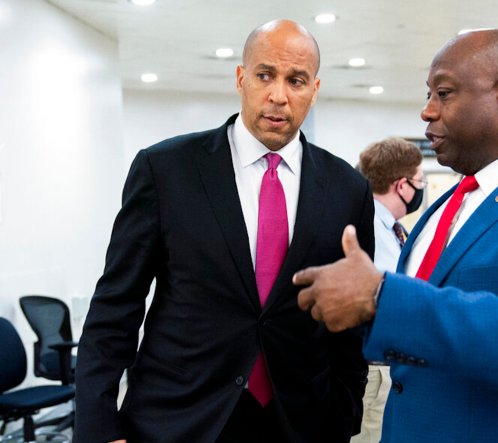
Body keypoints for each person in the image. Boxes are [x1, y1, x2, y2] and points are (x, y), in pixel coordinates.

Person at [293, 29, 498, 442]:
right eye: (428, 95)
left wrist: (383, 296)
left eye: (444, 93)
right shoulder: (447, 205)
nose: (427, 112)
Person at [74, 19, 373, 443]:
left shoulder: (348, 189)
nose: (278, 95)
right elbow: (115, 308)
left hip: (300, 422)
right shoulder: (166, 170)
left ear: (315, 89)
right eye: (265, 75)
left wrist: (343, 417)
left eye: (297, 80)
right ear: (241, 78)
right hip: (178, 419)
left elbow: (350, 327)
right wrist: (99, 428)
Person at [353, 137, 424, 443]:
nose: (421, 189)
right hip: (374, 373)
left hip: (391, 370)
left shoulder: (393, 228)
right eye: (420, 180)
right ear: (402, 185)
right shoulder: (367, 227)